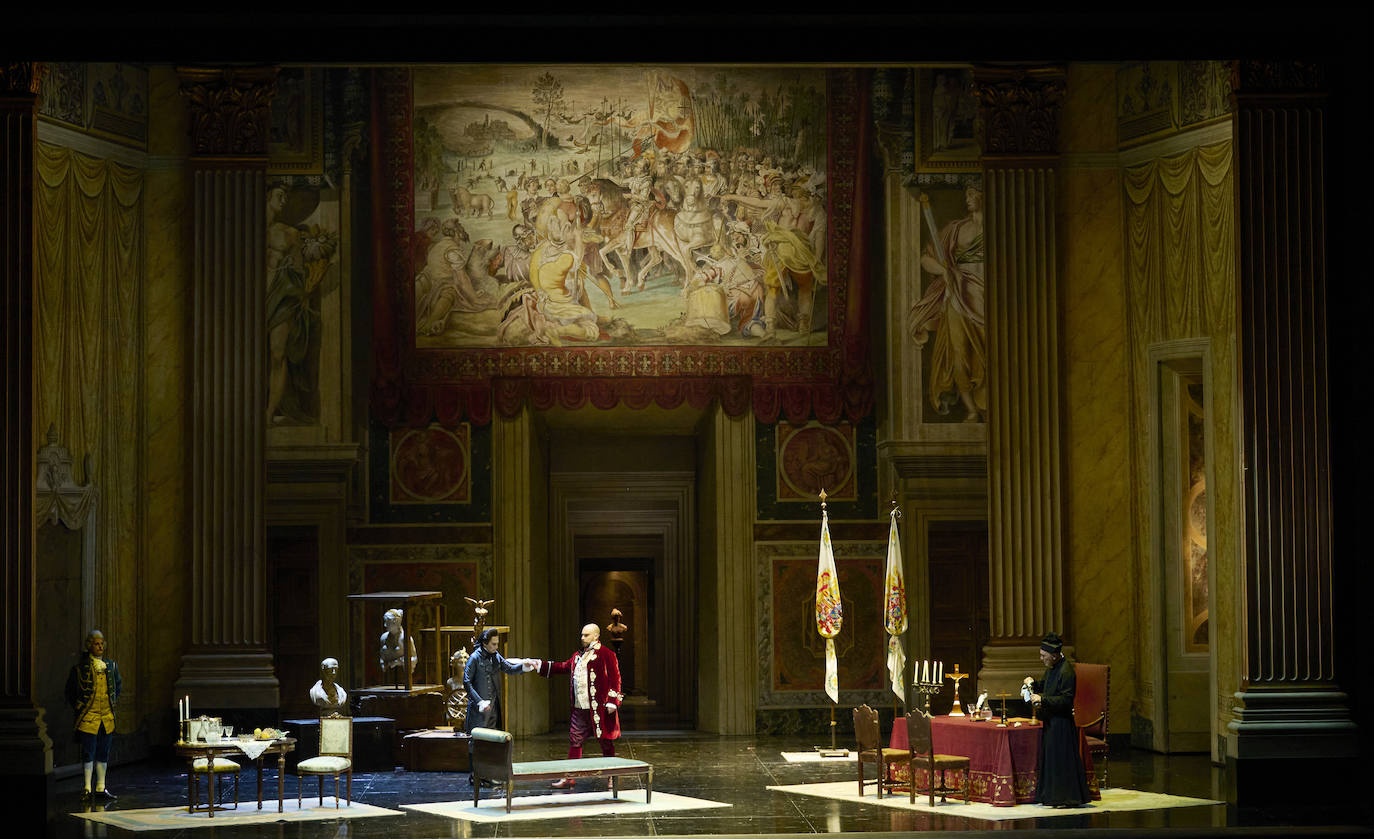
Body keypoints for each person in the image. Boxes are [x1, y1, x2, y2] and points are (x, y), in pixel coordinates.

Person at [907, 184, 987, 422]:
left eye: (973, 193)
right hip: (958, 296)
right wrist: (944, 272)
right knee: (958, 354)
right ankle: (971, 408)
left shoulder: (1001, 228)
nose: (968, 198)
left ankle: (988, 404)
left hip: (987, 299)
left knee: (988, 355)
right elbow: (926, 259)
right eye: (967, 194)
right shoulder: (956, 229)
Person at [529, 623, 623, 789]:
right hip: (580, 709)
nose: (582, 638)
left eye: (586, 635)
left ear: (596, 636)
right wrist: (540, 665)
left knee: (606, 742)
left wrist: (613, 701)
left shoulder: (606, 654)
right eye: (582, 635)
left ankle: (612, 776)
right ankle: (570, 776)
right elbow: (563, 667)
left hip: (600, 709)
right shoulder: (578, 656)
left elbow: (615, 678)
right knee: (575, 741)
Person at [1024, 632, 1092, 808]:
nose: (1041, 659)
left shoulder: (1066, 671)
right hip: (1052, 721)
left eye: (1043, 656)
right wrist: (1033, 684)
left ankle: (1065, 798)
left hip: (1062, 724)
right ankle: (1052, 796)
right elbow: (1046, 686)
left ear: (1054, 655)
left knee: (1060, 762)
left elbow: (1066, 700)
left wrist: (1043, 699)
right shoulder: (1053, 667)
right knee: (1052, 760)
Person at [463, 628, 531, 786]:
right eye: (493, 644)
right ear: (485, 643)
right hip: (479, 710)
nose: (496, 647)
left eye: (497, 644)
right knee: (477, 742)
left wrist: (524, 666)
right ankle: (475, 775)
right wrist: (479, 701)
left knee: (491, 741)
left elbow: (509, 668)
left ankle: (488, 775)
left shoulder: (495, 656)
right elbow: (466, 682)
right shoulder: (474, 658)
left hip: (492, 707)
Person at [65, 630, 122, 800]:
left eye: (102, 643)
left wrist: (112, 702)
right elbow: (70, 691)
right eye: (96, 644)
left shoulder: (111, 666)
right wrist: (79, 707)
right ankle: (87, 788)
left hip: (106, 718)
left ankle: (100, 787)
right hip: (88, 718)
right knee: (88, 753)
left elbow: (118, 686)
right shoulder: (80, 668)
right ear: (89, 645)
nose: (100, 647)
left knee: (103, 753)